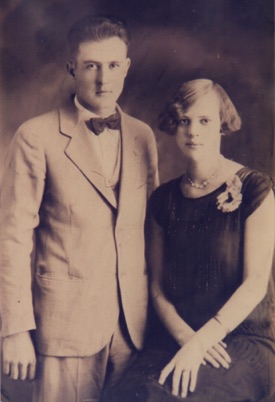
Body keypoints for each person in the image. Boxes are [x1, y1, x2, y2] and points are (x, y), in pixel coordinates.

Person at [0, 15, 159, 402]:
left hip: (133, 330)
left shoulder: (143, 136)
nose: (103, 80)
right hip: (65, 328)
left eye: (112, 66)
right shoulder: (35, 137)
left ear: (127, 67)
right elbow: (12, 237)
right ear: (72, 68)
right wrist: (15, 330)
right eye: (91, 66)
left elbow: (153, 232)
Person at [109, 78, 275, 402]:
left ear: (222, 125)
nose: (193, 131)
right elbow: (156, 288)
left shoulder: (256, 188)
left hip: (238, 338)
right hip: (176, 336)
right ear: (174, 126)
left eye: (204, 121)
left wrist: (201, 344)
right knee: (128, 394)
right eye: (184, 121)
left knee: (180, 396)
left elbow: (255, 284)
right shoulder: (163, 199)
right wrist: (188, 340)